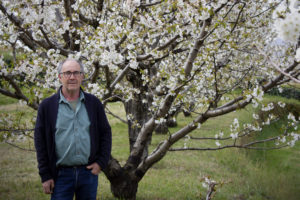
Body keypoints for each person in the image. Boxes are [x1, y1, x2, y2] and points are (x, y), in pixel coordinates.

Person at [34, 58, 112, 200]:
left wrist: (101, 163)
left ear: (82, 76)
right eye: (67, 73)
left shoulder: (93, 103)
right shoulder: (47, 106)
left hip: (88, 174)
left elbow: (105, 133)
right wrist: (45, 175)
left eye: (76, 73)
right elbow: (40, 143)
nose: (72, 77)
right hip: (60, 176)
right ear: (60, 77)